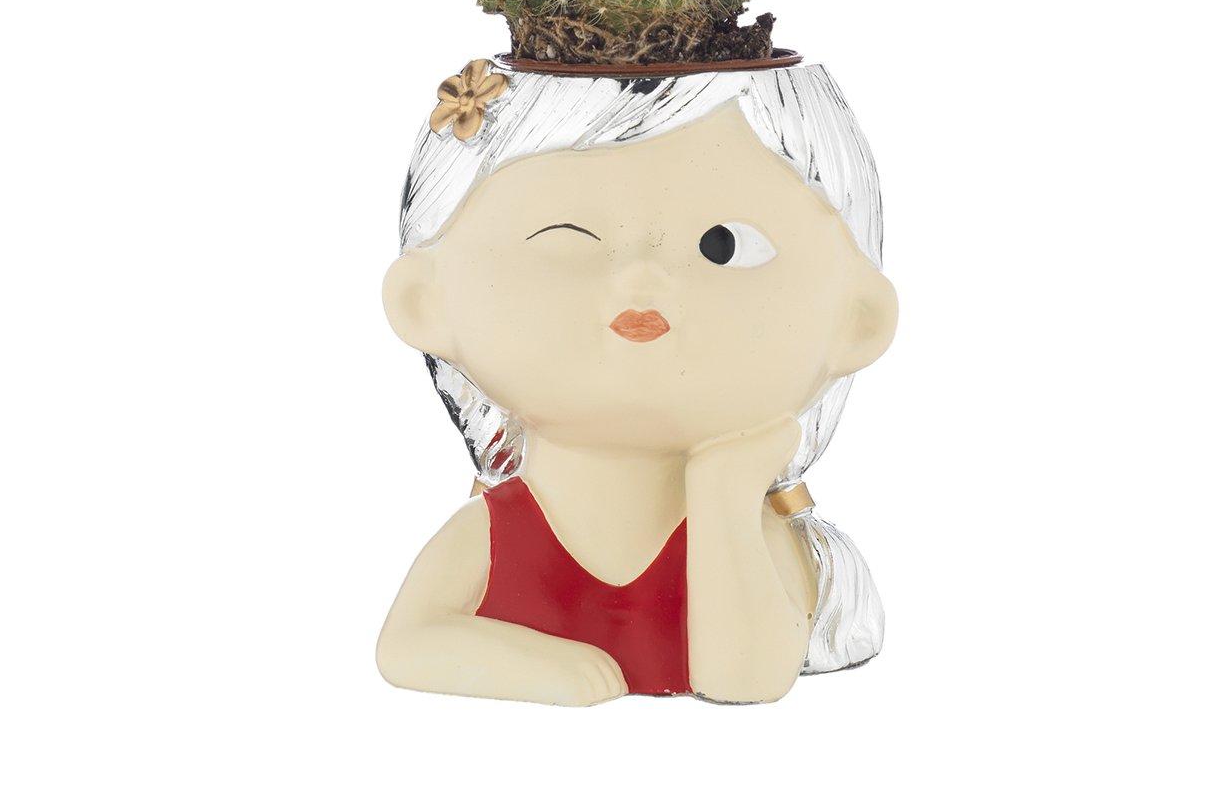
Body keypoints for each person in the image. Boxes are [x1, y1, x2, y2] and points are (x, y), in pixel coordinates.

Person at [376, 56, 897, 704]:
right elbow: (405, 645)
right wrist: (542, 670)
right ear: (423, 303)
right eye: (569, 239)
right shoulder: (493, 535)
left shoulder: (753, 532)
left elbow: (746, 679)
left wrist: (725, 492)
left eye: (723, 246)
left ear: (859, 319)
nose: (642, 279)